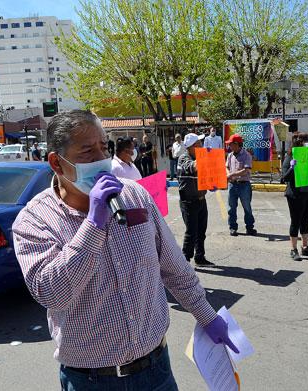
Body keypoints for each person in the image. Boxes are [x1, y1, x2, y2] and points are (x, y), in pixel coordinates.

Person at [12, 110, 237, 391]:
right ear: (57, 163)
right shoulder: (34, 220)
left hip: (157, 369)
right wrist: (93, 224)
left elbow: (174, 268)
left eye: (104, 148)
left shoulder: (134, 195)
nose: (101, 159)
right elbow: (51, 293)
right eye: (87, 152)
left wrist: (207, 316)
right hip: (92, 381)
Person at [177, 133, 214, 266]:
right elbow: (192, 167)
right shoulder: (184, 158)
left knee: (201, 231)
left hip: (201, 199)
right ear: (191, 147)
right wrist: (208, 156)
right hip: (189, 201)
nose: (201, 146)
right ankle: (184, 261)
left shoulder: (199, 157)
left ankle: (200, 257)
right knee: (191, 232)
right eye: (198, 144)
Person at [282, 132, 308, 261]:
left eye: (306, 140)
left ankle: (305, 247)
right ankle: (293, 249)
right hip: (295, 195)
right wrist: (293, 167)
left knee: (305, 221)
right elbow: (284, 178)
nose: (306, 143)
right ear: (298, 142)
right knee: (296, 222)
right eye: (304, 141)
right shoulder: (290, 156)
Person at [225, 134, 256, 237]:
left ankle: (249, 227)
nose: (229, 146)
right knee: (231, 207)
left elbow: (246, 170)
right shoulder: (230, 155)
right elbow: (226, 167)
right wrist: (228, 173)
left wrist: (232, 174)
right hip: (232, 185)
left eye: (231, 144)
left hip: (244, 185)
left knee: (247, 207)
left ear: (237, 144)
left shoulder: (247, 155)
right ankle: (233, 227)